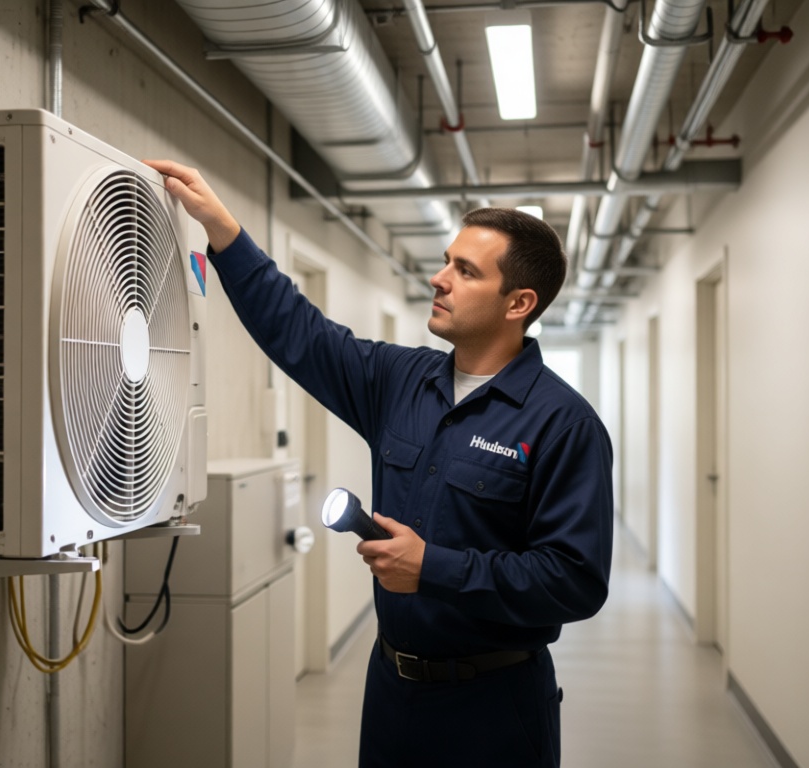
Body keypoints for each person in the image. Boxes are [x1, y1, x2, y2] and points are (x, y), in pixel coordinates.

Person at [145, 159, 614, 768]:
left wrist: (433, 568)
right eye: (447, 260)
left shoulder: (563, 424)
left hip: (496, 708)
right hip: (392, 692)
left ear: (518, 302)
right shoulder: (401, 381)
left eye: (465, 271)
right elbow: (300, 332)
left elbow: (573, 581)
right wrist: (223, 229)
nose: (439, 278)